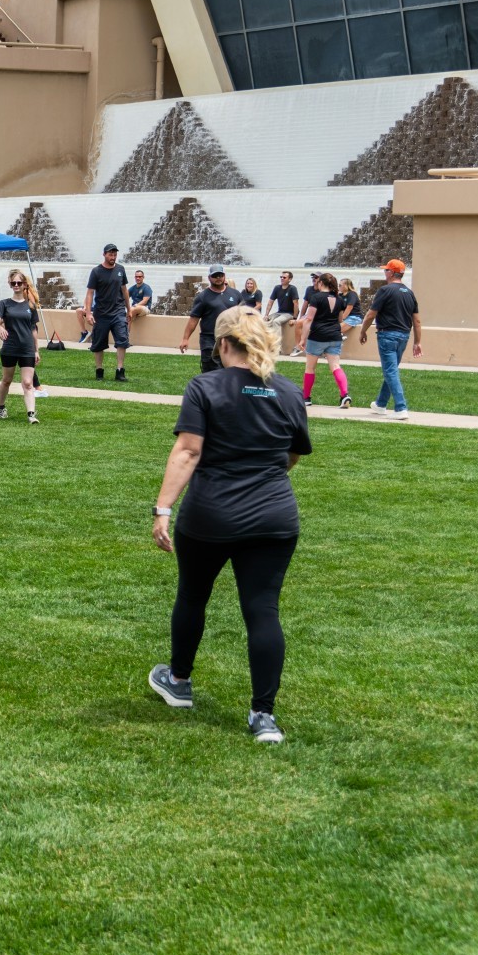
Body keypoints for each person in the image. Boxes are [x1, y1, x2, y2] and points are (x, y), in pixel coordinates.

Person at [148, 307, 310, 745]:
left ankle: (178, 681)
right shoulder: (290, 392)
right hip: (274, 516)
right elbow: (292, 455)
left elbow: (188, 451)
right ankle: (264, 716)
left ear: (222, 344)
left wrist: (163, 508)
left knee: (193, 596)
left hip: (210, 515)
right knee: (262, 610)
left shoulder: (204, 386)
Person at [358, 258, 422, 419]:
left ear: (392, 273)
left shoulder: (385, 291)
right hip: (404, 336)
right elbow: (417, 321)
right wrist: (417, 342)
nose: (384, 272)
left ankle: (401, 407)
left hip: (387, 335)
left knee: (390, 371)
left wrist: (362, 331)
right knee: (391, 370)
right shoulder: (409, 293)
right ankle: (381, 404)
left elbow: (371, 314)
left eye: (386, 270)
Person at [0, 270, 41, 424]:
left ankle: (31, 414)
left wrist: (36, 350)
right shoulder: (4, 303)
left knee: (28, 383)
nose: (16, 285)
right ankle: (1, 407)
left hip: (27, 348)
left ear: (25, 284)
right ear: (10, 284)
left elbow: (33, 329)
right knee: (7, 380)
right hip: (10, 348)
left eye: (19, 283)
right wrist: (0, 328)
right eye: (13, 283)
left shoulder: (30, 305)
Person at [297, 272, 351, 409]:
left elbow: (308, 319)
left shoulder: (316, 298)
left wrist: (303, 339)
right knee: (335, 366)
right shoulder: (339, 300)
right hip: (334, 336)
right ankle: (344, 395)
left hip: (317, 336)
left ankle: (306, 397)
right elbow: (340, 320)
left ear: (321, 283)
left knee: (310, 367)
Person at [179, 266, 243, 374]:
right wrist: (185, 339)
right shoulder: (203, 297)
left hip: (231, 338)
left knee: (232, 371)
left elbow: (244, 315)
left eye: (220, 275)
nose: (218, 278)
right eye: (214, 276)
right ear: (209, 278)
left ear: (224, 276)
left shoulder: (235, 294)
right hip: (209, 339)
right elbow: (194, 319)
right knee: (211, 372)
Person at [84, 243, 132, 380]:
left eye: (115, 254)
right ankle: (99, 371)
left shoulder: (121, 269)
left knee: (122, 340)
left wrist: (129, 309)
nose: (113, 257)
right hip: (101, 313)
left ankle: (120, 370)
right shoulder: (96, 271)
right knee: (98, 344)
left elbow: (124, 290)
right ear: (104, 254)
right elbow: (90, 293)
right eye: (110, 254)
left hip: (118, 312)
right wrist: (88, 313)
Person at [264, 271, 301, 347]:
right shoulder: (277, 288)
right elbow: (270, 302)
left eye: (284, 277)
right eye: (281, 277)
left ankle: (277, 346)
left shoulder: (292, 289)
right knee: (265, 321)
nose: (282, 278)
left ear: (290, 279)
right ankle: (266, 344)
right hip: (279, 312)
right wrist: (266, 315)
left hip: (289, 313)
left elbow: (296, 304)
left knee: (276, 322)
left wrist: (295, 318)